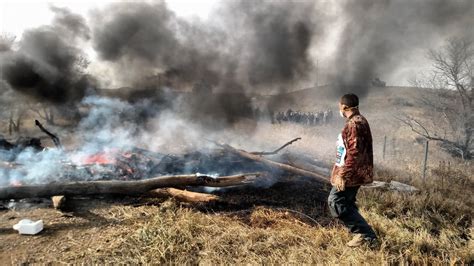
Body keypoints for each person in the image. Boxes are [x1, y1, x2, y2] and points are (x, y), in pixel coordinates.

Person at [328, 93, 378, 247]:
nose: (340, 110)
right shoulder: (359, 121)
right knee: (347, 202)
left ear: (344, 107)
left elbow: (354, 154)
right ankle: (364, 236)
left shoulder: (354, 124)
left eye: (340, 107)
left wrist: (342, 175)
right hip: (355, 172)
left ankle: (364, 235)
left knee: (335, 201)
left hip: (351, 174)